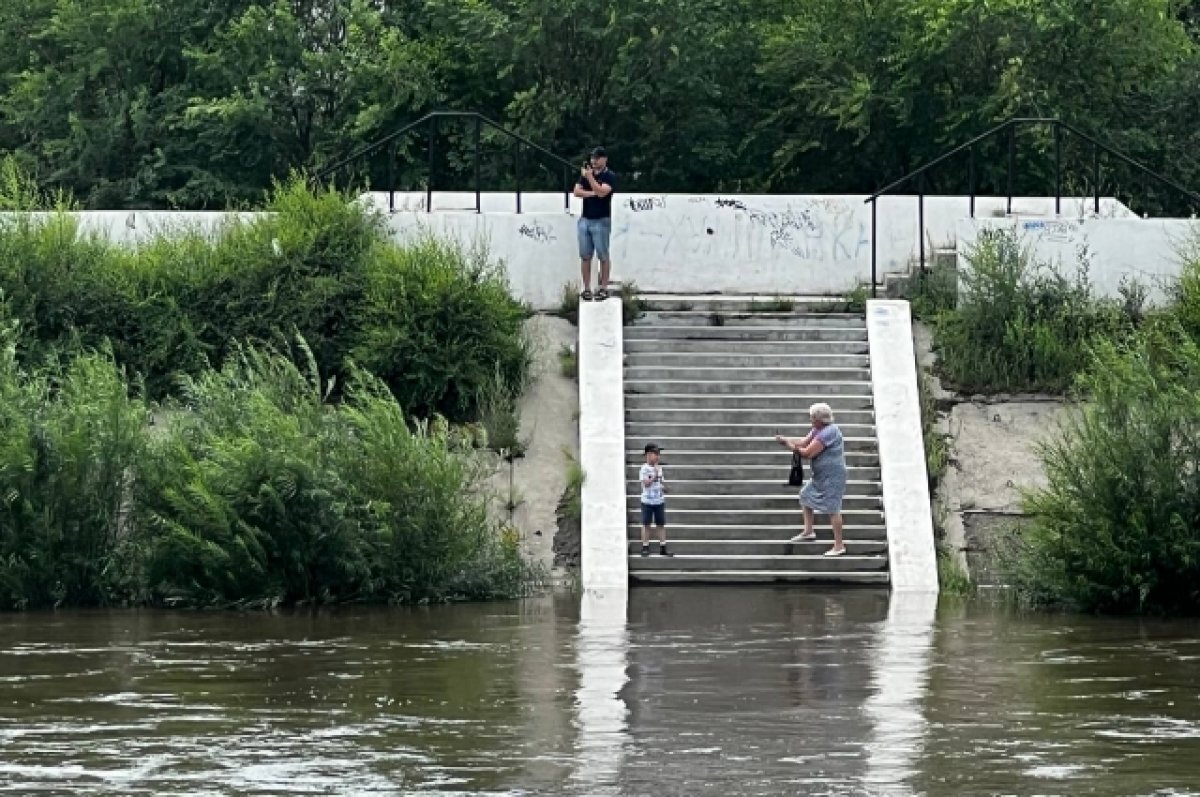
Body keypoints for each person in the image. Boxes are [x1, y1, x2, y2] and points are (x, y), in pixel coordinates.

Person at [774, 403, 848, 556]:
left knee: (833, 508)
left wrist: (789, 445)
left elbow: (808, 453)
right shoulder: (818, 429)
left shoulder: (829, 432)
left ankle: (839, 545)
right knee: (805, 495)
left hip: (832, 475)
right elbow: (803, 442)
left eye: (813, 418)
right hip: (820, 475)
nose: (811, 420)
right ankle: (808, 531)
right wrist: (787, 440)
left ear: (820, 419)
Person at [573, 146, 616, 301]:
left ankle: (603, 287)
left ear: (604, 159)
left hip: (601, 220)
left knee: (603, 255)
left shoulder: (609, 176)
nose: (594, 161)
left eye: (597, 158)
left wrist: (590, 178)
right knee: (585, 255)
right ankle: (586, 288)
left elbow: (602, 191)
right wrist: (592, 193)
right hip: (586, 219)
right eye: (592, 158)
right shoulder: (586, 175)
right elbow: (577, 192)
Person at [639, 443, 672, 557]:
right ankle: (645, 546)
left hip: (659, 500)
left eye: (658, 454)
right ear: (648, 455)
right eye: (655, 454)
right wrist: (655, 474)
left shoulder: (659, 468)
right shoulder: (644, 469)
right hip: (647, 501)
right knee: (646, 524)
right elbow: (646, 484)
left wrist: (665, 488)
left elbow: (660, 482)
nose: (658, 456)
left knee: (661, 524)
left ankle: (663, 546)